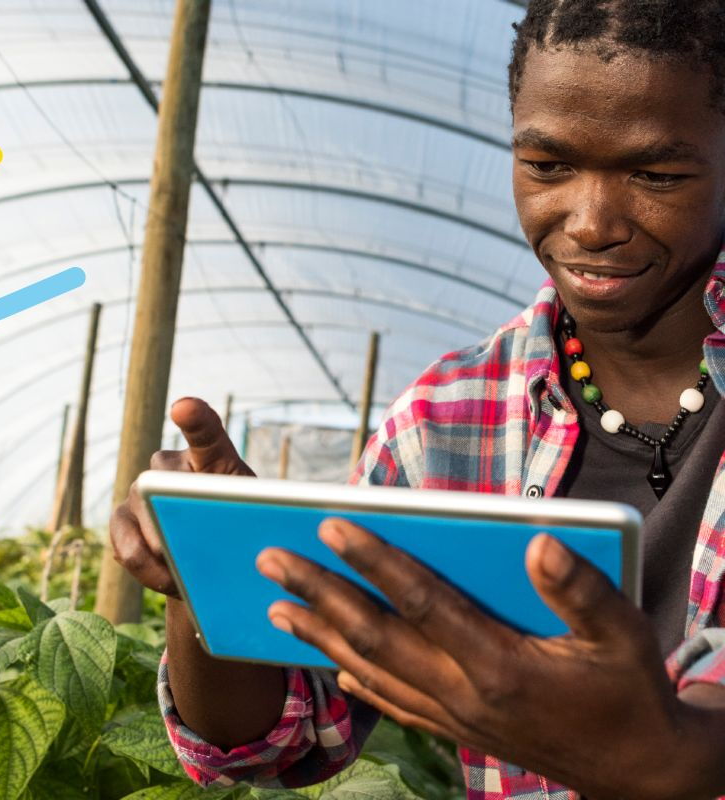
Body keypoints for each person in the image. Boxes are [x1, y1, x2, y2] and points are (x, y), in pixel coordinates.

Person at [108, 1, 725, 797]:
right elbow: (281, 743)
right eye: (547, 166)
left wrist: (677, 756)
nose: (591, 221)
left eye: (655, 174)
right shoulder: (446, 419)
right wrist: (214, 577)